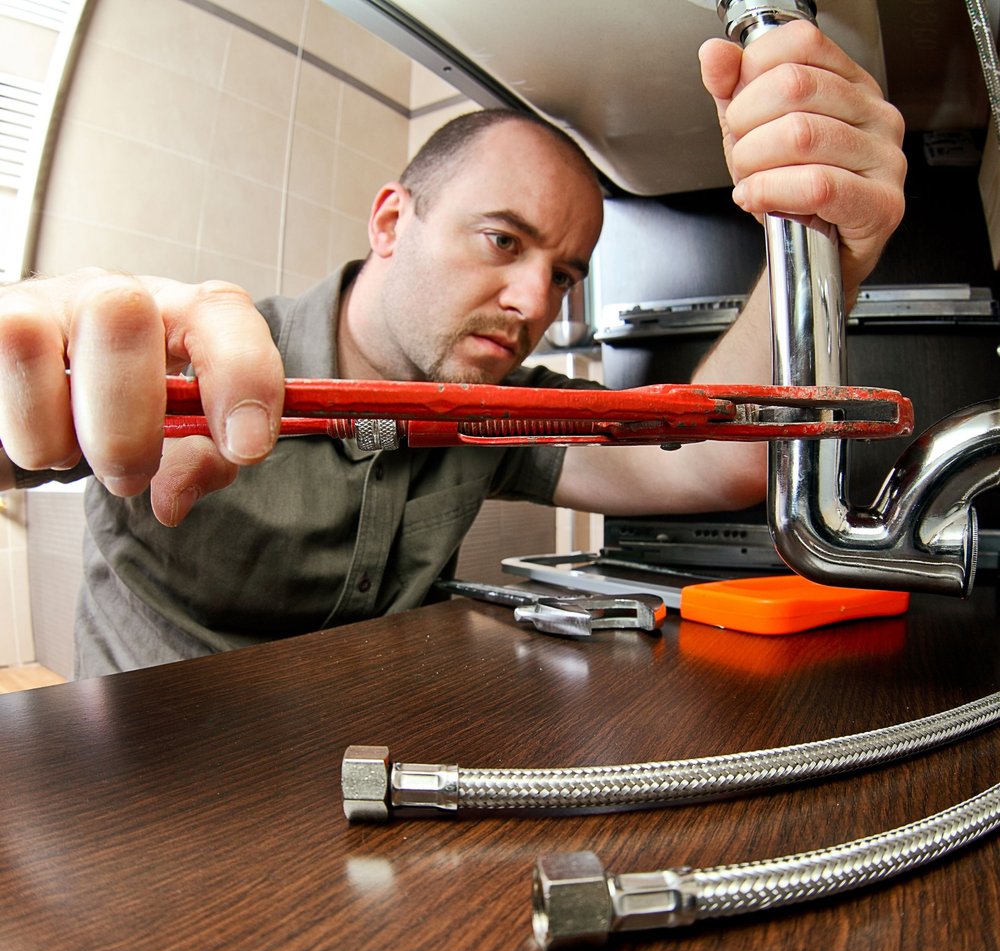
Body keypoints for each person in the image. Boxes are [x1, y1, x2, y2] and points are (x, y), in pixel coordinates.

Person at [0, 22, 906, 676]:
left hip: (388, 801)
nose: (533, 302)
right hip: (149, 810)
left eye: (563, 274)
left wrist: (827, 252)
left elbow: (714, 467)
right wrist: (39, 357)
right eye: (503, 242)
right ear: (394, 221)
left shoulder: (500, 410)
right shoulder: (188, 370)